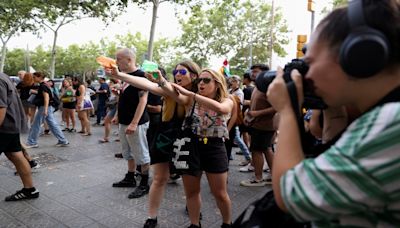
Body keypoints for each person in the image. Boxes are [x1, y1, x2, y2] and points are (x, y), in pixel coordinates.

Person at [268, 1, 400, 226]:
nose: (306, 76)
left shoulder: (391, 122)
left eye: (309, 63)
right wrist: (334, 111)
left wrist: (288, 111)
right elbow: (337, 168)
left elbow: (290, 195)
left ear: (357, 54)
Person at [106, 59, 201, 228]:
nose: (178, 74)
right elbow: (146, 85)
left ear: (194, 75)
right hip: (165, 136)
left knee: (191, 183)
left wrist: (162, 82)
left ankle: (193, 211)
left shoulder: (197, 93)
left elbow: (182, 99)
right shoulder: (168, 87)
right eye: (176, 71)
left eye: (183, 72)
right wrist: (119, 74)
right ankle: (152, 217)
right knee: (158, 179)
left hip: (187, 139)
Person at [167, 68, 233, 228]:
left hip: (214, 147)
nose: (201, 83)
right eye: (199, 80)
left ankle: (227, 223)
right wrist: (161, 80)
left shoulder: (227, 99)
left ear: (217, 84)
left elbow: (222, 109)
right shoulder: (191, 100)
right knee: (191, 192)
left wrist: (192, 94)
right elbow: (167, 90)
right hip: (191, 146)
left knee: (220, 193)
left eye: (206, 80)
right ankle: (194, 224)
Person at [110, 48, 151, 200]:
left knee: (141, 153)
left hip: (137, 123)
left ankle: (145, 183)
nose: (116, 62)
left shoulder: (141, 75)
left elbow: (143, 100)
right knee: (128, 151)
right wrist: (117, 115)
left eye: (118, 59)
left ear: (129, 60)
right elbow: (124, 98)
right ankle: (130, 176)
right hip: (124, 121)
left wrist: (134, 123)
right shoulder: (125, 76)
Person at [0, 72, 39, 201]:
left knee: (16, 155)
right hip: (11, 124)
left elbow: (1, 108)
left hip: (4, 127)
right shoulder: (3, 76)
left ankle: (30, 190)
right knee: (15, 155)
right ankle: (30, 190)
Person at [240, 64, 276, 186]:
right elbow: (254, 105)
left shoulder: (268, 87)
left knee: (257, 151)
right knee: (267, 149)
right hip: (257, 124)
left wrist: (256, 113)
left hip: (265, 126)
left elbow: (276, 107)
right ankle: (273, 176)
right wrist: (248, 115)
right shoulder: (258, 87)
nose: (252, 74)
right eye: (252, 71)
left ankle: (258, 178)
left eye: (256, 72)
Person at [25, 72, 69, 148]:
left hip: (44, 107)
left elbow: (46, 98)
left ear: (39, 77)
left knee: (36, 124)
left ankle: (32, 142)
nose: (33, 78)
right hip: (47, 107)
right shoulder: (44, 85)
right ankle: (63, 140)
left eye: (34, 77)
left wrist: (45, 109)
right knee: (52, 124)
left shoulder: (43, 86)